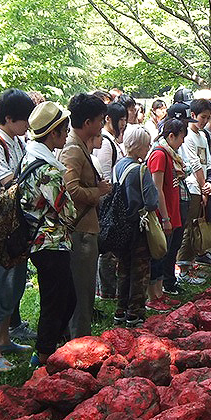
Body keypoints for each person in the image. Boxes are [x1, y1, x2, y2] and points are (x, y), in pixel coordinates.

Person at [0, 88, 36, 371]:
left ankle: (4, 338)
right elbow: (6, 179)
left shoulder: (16, 140)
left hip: (17, 221)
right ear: (9, 117)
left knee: (14, 282)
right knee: (1, 283)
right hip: (1, 225)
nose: (28, 125)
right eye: (25, 119)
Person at [18, 102, 76, 361]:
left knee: (64, 297)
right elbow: (67, 210)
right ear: (53, 133)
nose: (66, 135)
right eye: (64, 130)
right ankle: (44, 355)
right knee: (56, 301)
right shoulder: (48, 169)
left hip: (40, 240)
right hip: (50, 242)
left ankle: (51, 347)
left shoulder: (29, 158)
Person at [61, 93, 112, 340]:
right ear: (89, 121)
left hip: (86, 228)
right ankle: (79, 345)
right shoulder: (73, 149)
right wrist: (97, 192)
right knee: (82, 293)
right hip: (80, 231)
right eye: (101, 120)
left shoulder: (80, 146)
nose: (102, 125)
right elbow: (70, 190)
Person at [111, 125, 158, 327]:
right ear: (138, 147)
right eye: (146, 145)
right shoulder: (141, 170)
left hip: (120, 227)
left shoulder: (118, 166)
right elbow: (151, 201)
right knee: (140, 271)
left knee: (123, 269)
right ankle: (135, 313)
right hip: (138, 226)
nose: (148, 149)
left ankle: (120, 309)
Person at [146, 117, 188, 308]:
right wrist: (165, 217)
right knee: (158, 254)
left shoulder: (169, 154)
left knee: (167, 252)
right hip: (163, 214)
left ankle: (160, 292)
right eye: (181, 138)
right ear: (171, 136)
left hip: (172, 210)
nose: (182, 142)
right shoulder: (160, 155)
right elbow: (157, 188)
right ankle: (152, 297)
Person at [177, 99, 211, 286]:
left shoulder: (203, 136)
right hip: (192, 187)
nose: (205, 121)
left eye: (208, 118)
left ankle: (190, 264)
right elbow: (194, 163)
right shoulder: (188, 137)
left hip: (202, 186)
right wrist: (203, 188)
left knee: (196, 227)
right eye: (202, 117)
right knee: (189, 228)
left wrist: (209, 183)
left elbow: (207, 162)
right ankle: (182, 268)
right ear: (193, 115)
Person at [93, 101, 129, 301]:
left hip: (111, 200)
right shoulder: (106, 143)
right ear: (108, 119)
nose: (123, 123)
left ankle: (107, 288)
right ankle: (105, 290)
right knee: (106, 247)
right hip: (107, 202)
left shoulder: (112, 140)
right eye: (120, 119)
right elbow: (105, 174)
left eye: (124, 119)